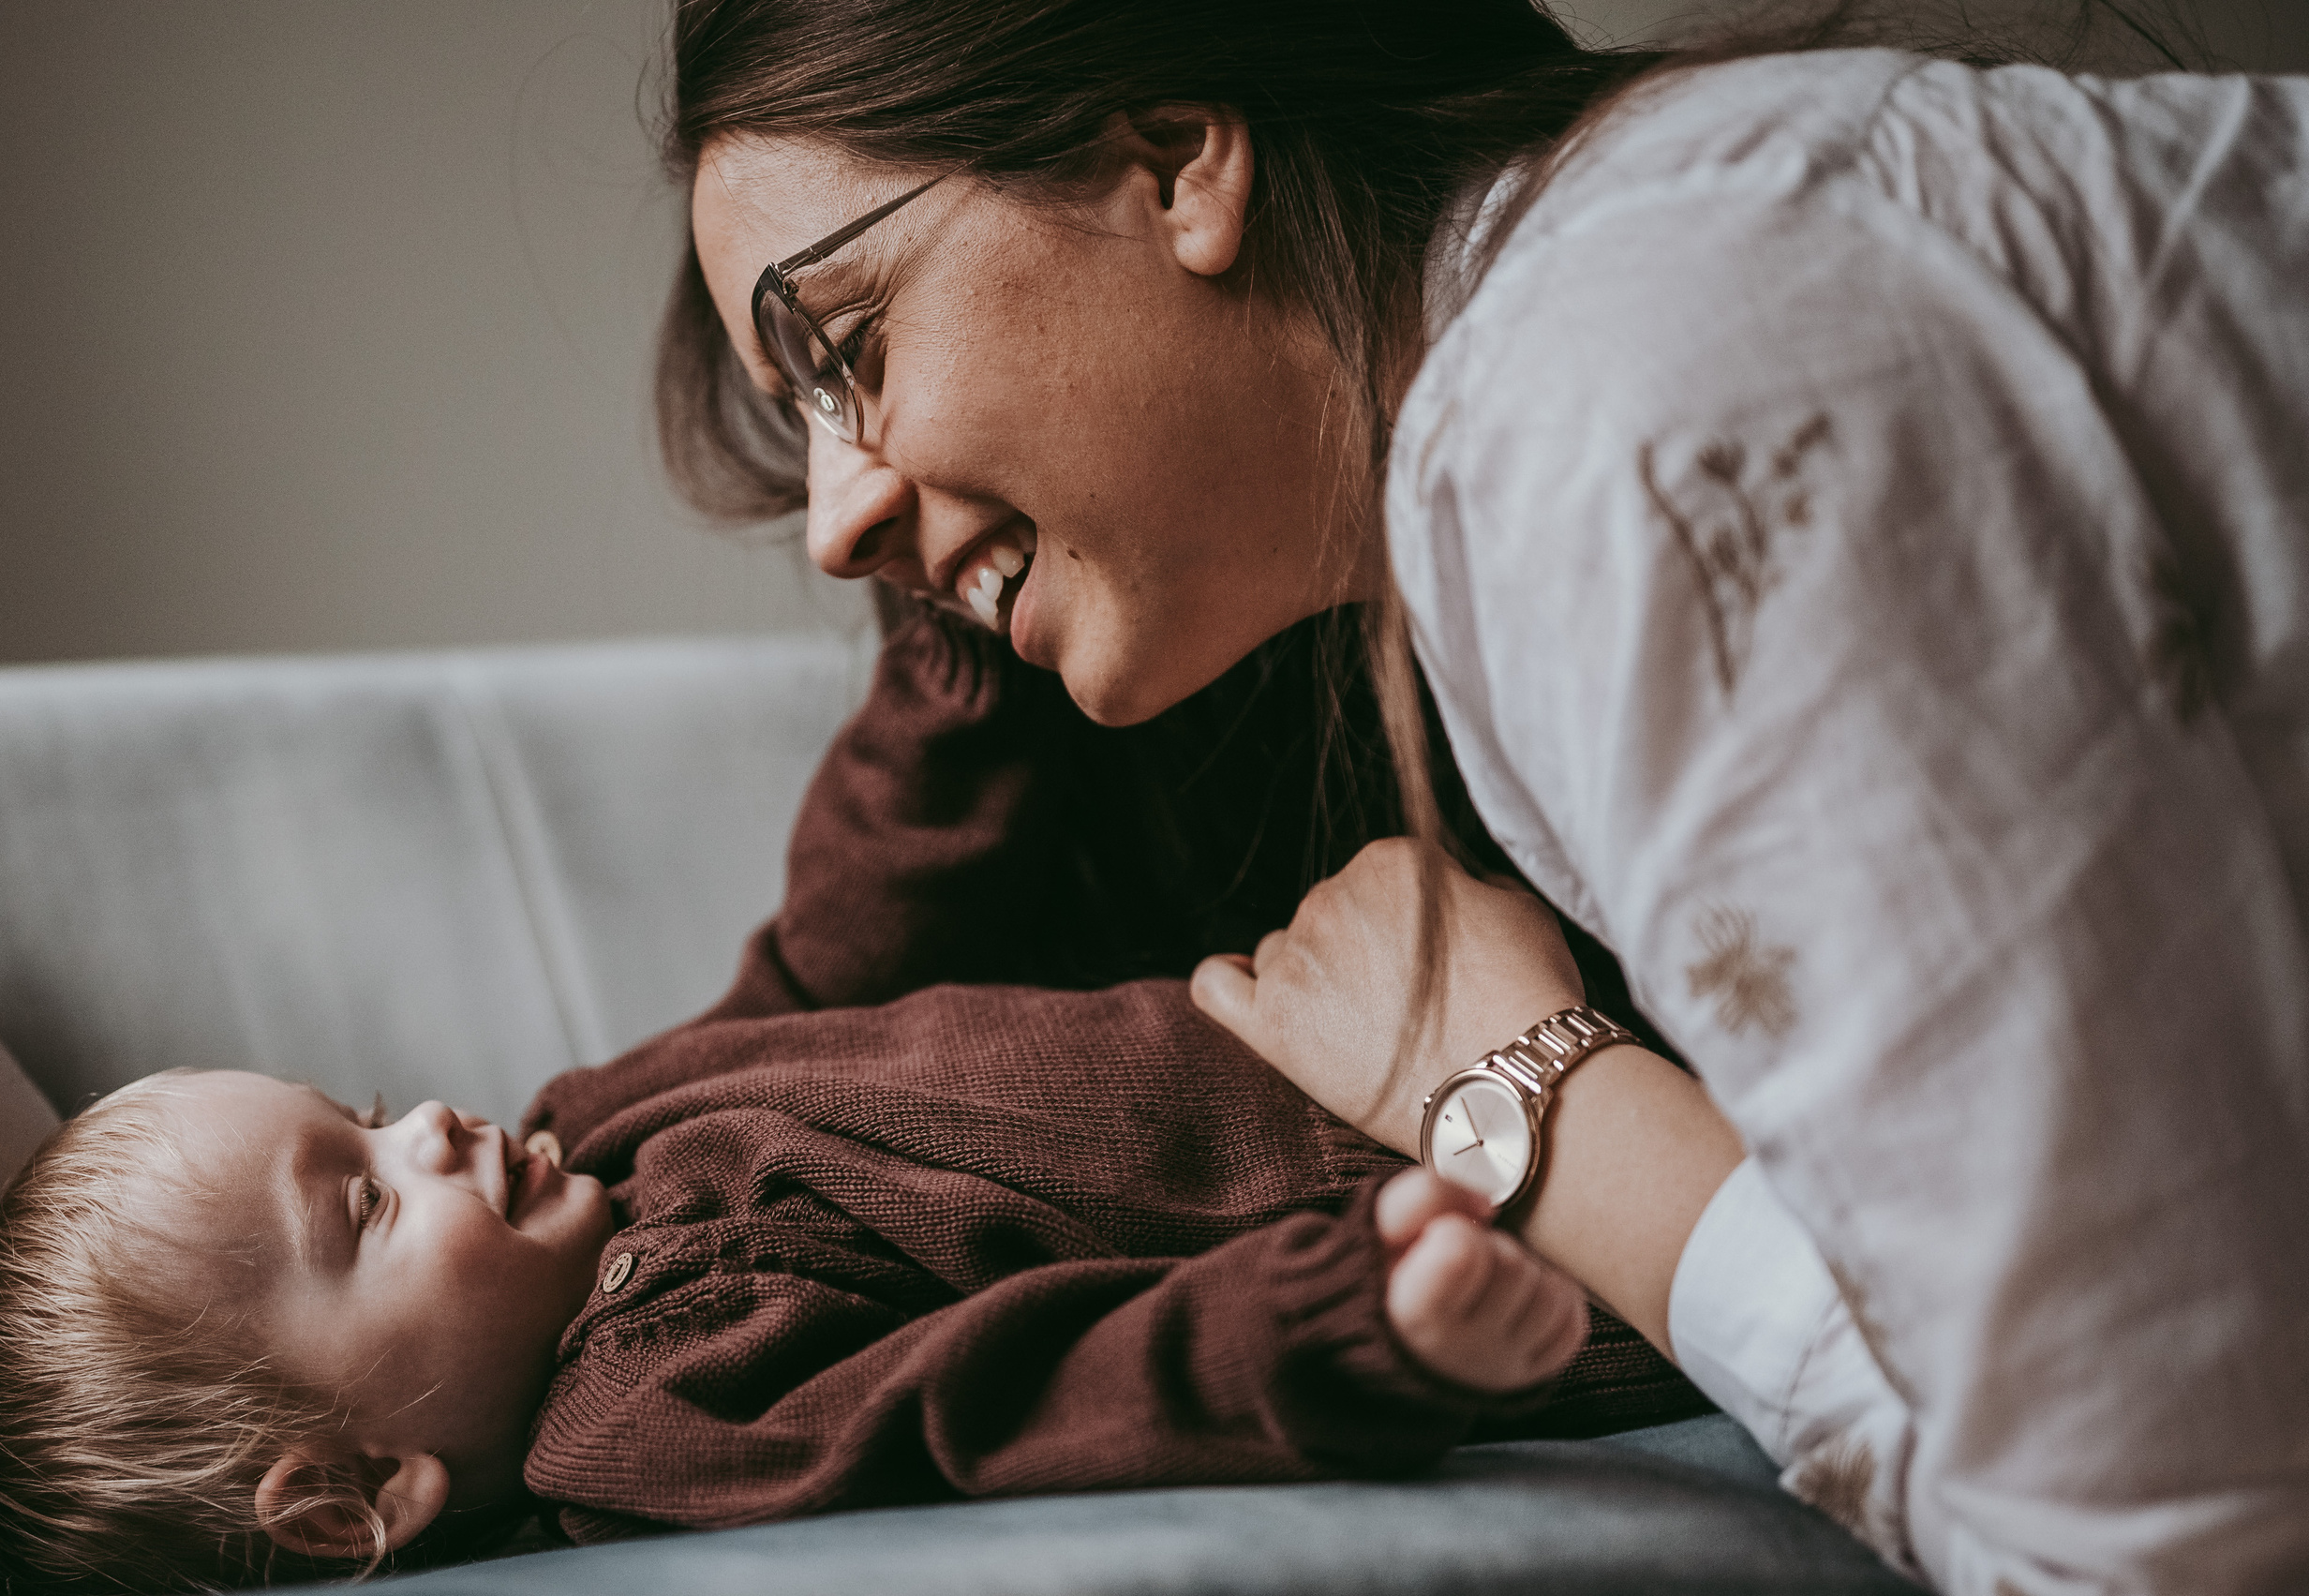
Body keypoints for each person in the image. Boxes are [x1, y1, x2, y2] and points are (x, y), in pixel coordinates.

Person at [657, 1, 2309, 1591]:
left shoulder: (1631, 417)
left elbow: (2156, 1536)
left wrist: (1523, 1100)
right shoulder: (1586, 374)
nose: (833, 518)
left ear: (1176, 163)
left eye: (849, 345)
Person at [0, 611, 1716, 1592]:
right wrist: (1346, 1325)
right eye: (368, 1202)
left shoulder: (597, 1129)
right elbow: (1002, 1400)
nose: (432, 1131)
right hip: (1477, 1182)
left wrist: (938, 697)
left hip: (1408, 990)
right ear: (353, 1497)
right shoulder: (656, 1417)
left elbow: (828, 960)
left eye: (372, 1107)